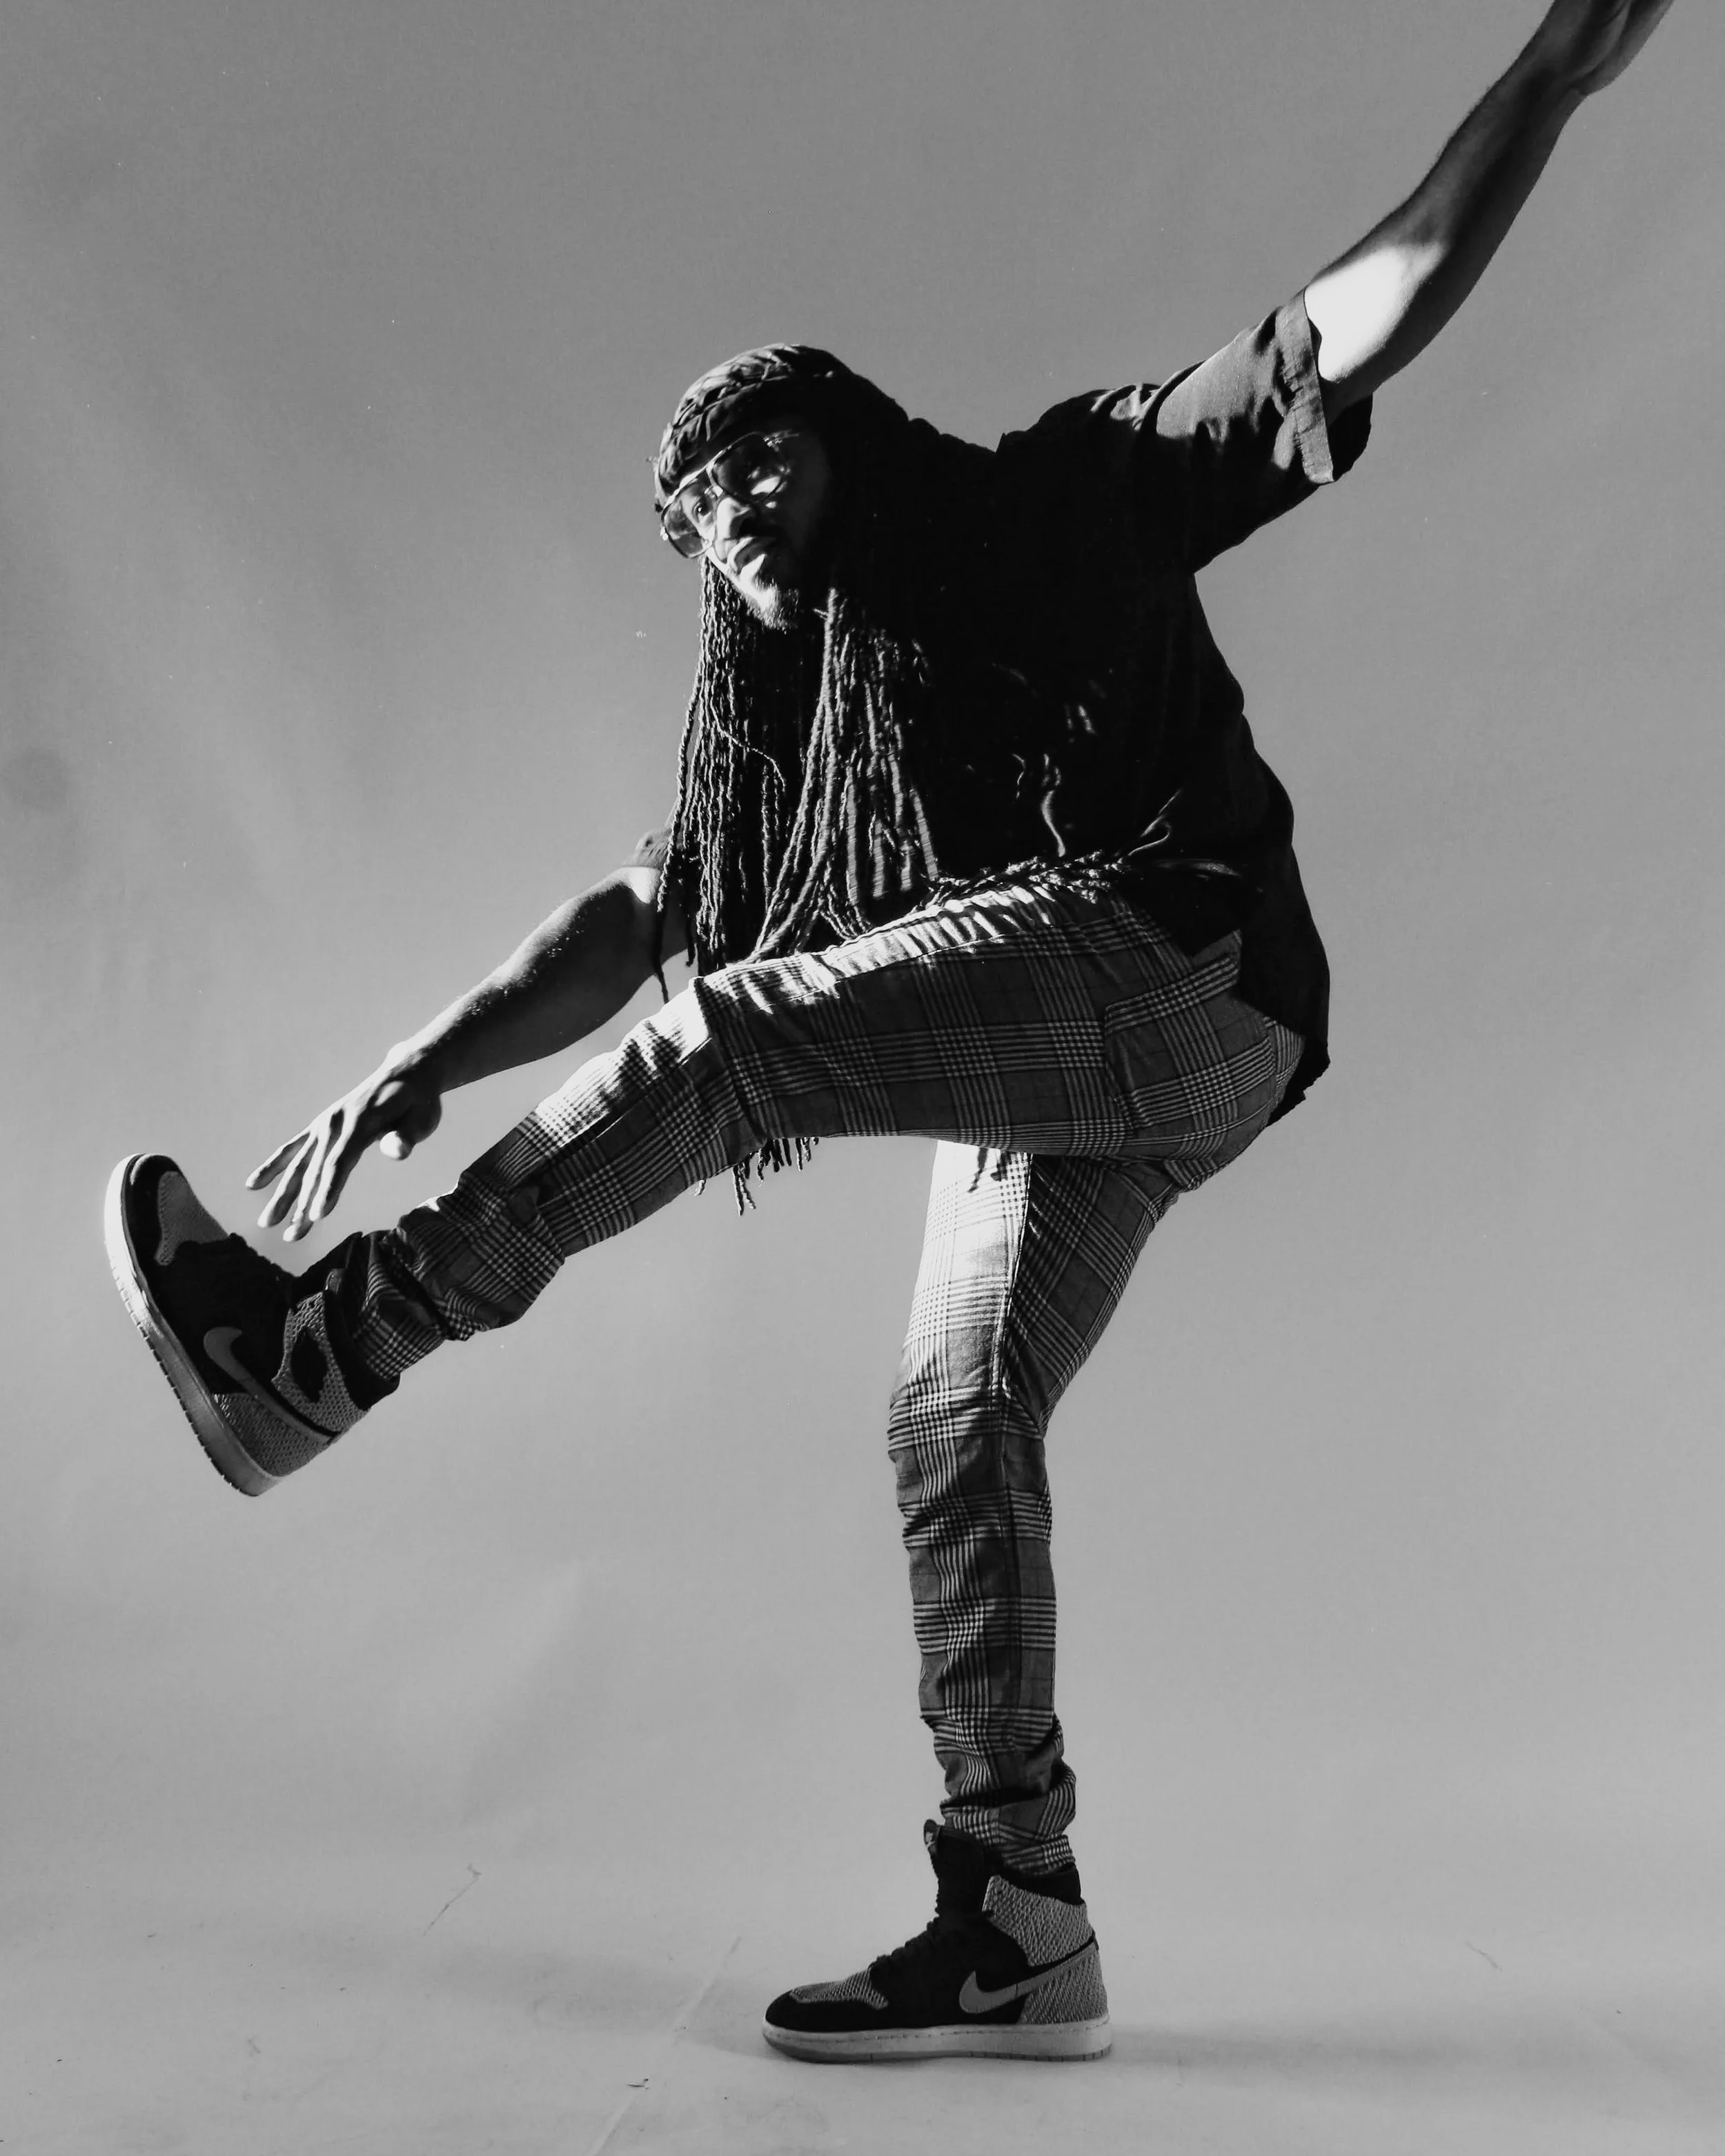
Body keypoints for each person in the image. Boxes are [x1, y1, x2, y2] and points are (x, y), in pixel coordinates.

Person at [105, 0, 1675, 2066]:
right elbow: (642, 911)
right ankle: (1018, 1914)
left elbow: (1340, 326)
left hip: (1180, 960)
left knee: (740, 1039)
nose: (736, 494)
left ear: (856, 439)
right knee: (953, 1417)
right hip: (1095, 1065)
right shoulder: (786, 760)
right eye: (698, 492)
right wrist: (426, 1059)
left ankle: (321, 1351)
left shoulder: (1052, 500)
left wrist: (1550, 78)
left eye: (768, 445)